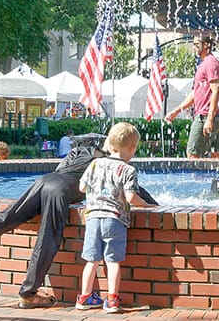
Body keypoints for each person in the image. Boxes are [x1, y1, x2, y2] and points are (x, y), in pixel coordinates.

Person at [0, 131, 156, 309]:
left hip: (43, 182)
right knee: (48, 238)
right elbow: (134, 190)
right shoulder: (103, 161)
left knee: (7, 217)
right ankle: (28, 294)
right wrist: (155, 205)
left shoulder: (75, 155)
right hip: (60, 192)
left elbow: (63, 174)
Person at [76, 122, 155, 313]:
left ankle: (84, 297)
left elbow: (82, 188)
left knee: (91, 260)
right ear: (132, 148)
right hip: (115, 220)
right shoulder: (128, 170)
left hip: (93, 217)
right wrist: (147, 204)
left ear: (110, 145)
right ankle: (112, 300)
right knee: (112, 261)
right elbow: (131, 198)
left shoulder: (95, 163)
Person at [166, 34, 219, 158]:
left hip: (205, 115)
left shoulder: (211, 63)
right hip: (212, 115)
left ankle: (198, 178)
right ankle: (215, 178)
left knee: (193, 155)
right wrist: (176, 111)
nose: (194, 47)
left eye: (197, 44)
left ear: (206, 45)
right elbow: (195, 93)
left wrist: (209, 119)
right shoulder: (204, 64)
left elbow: (216, 91)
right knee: (216, 155)